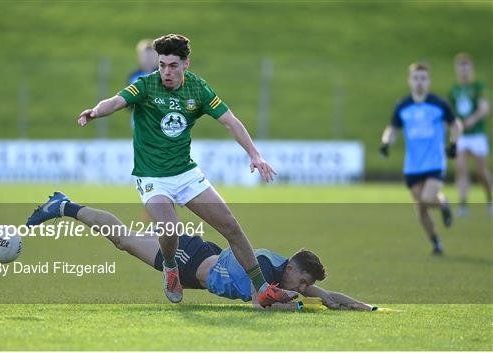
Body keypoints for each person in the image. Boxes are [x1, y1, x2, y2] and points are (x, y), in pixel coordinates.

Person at [35, 34, 297, 307]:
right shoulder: (146, 85)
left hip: (185, 173)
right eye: (162, 65)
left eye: (172, 65)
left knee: (230, 225)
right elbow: (115, 101)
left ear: (186, 64)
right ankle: (171, 269)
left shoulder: (198, 89)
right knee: (170, 229)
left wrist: (255, 154)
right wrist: (96, 112)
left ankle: (262, 288)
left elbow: (230, 121)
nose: (166, 72)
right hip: (151, 176)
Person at [26, 193, 378, 311]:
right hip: (189, 259)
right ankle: (64, 206)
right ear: (291, 268)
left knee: (126, 236)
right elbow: (265, 304)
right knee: (123, 240)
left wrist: (364, 307)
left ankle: (65, 206)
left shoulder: (285, 276)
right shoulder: (266, 266)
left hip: (202, 259)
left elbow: (329, 297)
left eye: (304, 285)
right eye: (302, 281)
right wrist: (298, 305)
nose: (303, 288)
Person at [379, 63, 461, 255]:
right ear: (409, 80)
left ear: (429, 81)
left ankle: (443, 204)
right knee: (421, 209)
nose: (419, 82)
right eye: (416, 78)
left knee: (428, 197)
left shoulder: (439, 104)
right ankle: (436, 243)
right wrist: (385, 143)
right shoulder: (403, 106)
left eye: (423, 78)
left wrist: (454, 142)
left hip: (434, 162)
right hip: (413, 165)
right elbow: (392, 128)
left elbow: (455, 124)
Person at [448, 53, 492, 217]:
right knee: (461, 169)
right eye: (461, 67)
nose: (464, 71)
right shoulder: (455, 90)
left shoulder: (477, 87)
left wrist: (472, 119)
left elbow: (484, 108)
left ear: (471, 68)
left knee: (481, 172)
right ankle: (463, 204)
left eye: (466, 67)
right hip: (462, 136)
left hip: (477, 135)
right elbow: (451, 113)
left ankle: (489, 199)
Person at [127, 39, 159, 129]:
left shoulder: (163, 75)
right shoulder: (134, 76)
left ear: (157, 56)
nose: (148, 59)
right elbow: (127, 99)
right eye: (145, 56)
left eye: (151, 56)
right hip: (139, 117)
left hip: (158, 117)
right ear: (140, 57)